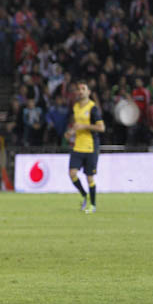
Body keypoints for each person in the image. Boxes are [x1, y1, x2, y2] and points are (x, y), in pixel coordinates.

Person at [66, 80, 104, 214]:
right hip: (78, 145)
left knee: (89, 178)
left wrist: (84, 126)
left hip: (90, 146)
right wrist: (70, 132)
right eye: (79, 89)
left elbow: (101, 127)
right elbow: (76, 124)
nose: (80, 91)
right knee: (72, 174)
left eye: (83, 89)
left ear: (89, 92)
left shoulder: (93, 108)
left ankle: (93, 205)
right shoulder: (75, 107)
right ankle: (84, 194)